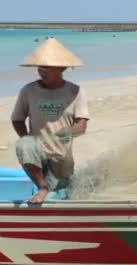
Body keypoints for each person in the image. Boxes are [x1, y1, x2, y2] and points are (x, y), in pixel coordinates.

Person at [11, 37, 90, 204]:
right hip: (37, 152)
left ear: (61, 68)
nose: (42, 71)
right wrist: (28, 139)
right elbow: (17, 119)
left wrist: (68, 132)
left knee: (63, 190)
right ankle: (42, 187)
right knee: (24, 145)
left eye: (47, 68)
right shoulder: (28, 90)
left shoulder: (76, 91)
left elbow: (81, 125)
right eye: (40, 67)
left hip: (62, 155)